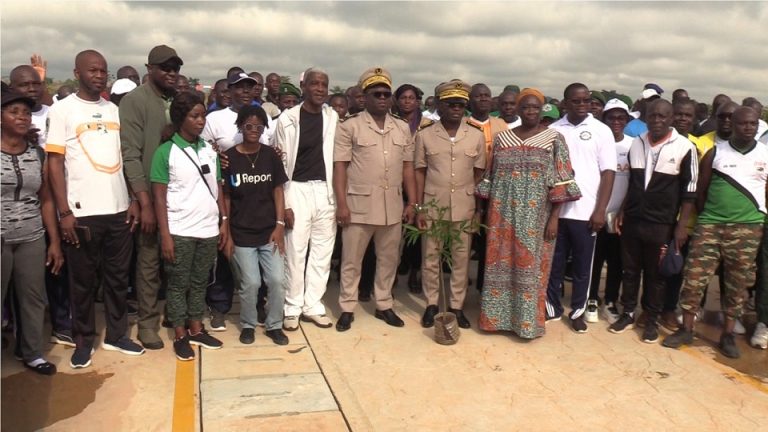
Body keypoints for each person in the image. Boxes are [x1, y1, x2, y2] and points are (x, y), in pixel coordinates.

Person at [47, 50, 144, 368]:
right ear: (77, 72)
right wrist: (64, 212)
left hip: (118, 211)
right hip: (81, 213)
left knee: (117, 280)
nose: (100, 75)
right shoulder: (62, 110)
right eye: (93, 70)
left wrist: (132, 199)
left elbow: (127, 156)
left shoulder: (115, 111)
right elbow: (55, 162)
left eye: (104, 70)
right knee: (83, 283)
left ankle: (117, 335)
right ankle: (83, 341)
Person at [476, 88, 580, 339]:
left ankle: (526, 324)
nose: (531, 111)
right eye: (526, 107)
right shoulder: (503, 139)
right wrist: (481, 212)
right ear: (518, 110)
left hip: (536, 219)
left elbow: (562, 181)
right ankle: (495, 320)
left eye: (535, 107)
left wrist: (554, 217)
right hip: (501, 216)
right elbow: (489, 178)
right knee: (498, 264)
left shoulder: (553, 139)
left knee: (531, 270)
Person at [663, 107, 767, 359]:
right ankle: (686, 328)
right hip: (710, 226)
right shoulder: (715, 152)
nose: (748, 128)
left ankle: (728, 334)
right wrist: (710, 217)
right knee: (695, 279)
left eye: (753, 123)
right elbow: (700, 190)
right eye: (743, 123)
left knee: (737, 283)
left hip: (748, 228)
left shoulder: (765, 153)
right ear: (733, 124)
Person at [333, 67, 417, 331]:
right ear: (365, 97)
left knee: (389, 259)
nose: (382, 98)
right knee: (351, 261)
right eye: (376, 94)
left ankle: (384, 304)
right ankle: (347, 306)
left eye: (386, 94)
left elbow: (407, 168)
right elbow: (340, 167)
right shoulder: (350, 126)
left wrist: (412, 202)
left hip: (391, 206)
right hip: (358, 206)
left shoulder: (402, 127)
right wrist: (342, 204)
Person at [608, 99, 698, 343]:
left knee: (656, 275)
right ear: (645, 117)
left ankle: (652, 318)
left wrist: (681, 226)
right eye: (652, 116)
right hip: (634, 220)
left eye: (662, 116)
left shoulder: (684, 147)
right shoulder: (637, 143)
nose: (657, 120)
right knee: (630, 269)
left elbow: (690, 191)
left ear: (671, 118)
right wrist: (623, 211)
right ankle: (627, 312)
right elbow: (631, 182)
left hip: (662, 223)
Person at [150, 92, 228, 360]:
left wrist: (223, 222)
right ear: (180, 118)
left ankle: (197, 328)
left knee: (199, 282)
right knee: (177, 284)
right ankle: (180, 333)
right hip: (180, 230)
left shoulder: (208, 149)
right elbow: (159, 196)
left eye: (203, 115)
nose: (200, 121)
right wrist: (166, 235)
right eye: (194, 116)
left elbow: (217, 187)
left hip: (208, 229)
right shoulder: (166, 151)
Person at [120, 44, 183, 350]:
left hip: (180, 199)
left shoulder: (179, 101)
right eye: (165, 68)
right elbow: (130, 154)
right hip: (150, 196)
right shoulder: (135, 101)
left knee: (176, 262)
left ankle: (175, 314)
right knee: (148, 265)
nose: (171, 73)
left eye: (175, 69)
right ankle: (147, 324)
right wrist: (142, 201)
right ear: (149, 69)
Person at [414, 79, 486, 329]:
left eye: (460, 104)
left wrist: (478, 210)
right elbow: (420, 172)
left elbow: (479, 176)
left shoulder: (475, 136)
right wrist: (419, 208)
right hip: (434, 205)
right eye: (450, 104)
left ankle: (456, 306)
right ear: (439, 107)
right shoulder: (424, 136)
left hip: (464, 207)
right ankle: (431, 304)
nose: (456, 108)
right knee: (431, 257)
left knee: (461, 259)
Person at [1, 89, 64, 375]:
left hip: (31, 237)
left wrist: (54, 242)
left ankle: (32, 353)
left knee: (33, 297)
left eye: (26, 113)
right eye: (14, 112)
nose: (22, 117)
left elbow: (46, 198)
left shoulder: (36, 153)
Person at [545, 83, 615, 333]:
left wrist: (600, 210)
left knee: (583, 267)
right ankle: (551, 308)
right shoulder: (552, 130)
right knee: (554, 263)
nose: (583, 105)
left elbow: (608, 173)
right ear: (565, 103)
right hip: (556, 211)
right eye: (577, 101)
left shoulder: (601, 130)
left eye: (586, 101)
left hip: (587, 211)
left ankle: (577, 311)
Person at [273, 68, 339, 331]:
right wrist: (285, 202)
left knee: (322, 251)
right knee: (295, 250)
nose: (320, 89)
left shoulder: (333, 117)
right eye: (315, 84)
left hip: (325, 189)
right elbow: (280, 164)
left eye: (324, 84)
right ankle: (292, 306)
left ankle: (313, 304)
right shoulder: (287, 119)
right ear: (304, 87)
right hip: (296, 188)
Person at [221, 105, 290, 345]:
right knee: (250, 283)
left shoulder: (271, 155)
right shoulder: (229, 157)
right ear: (240, 126)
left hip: (269, 231)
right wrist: (227, 231)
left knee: (277, 281)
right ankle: (248, 324)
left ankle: (274, 325)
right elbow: (227, 196)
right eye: (249, 126)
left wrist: (279, 224)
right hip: (241, 234)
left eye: (259, 127)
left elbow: (278, 190)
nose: (254, 130)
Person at [586, 99, 633, 324]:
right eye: (611, 117)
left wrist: (624, 210)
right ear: (603, 119)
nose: (616, 122)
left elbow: (635, 182)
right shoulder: (597, 141)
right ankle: (591, 298)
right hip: (596, 211)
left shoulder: (634, 145)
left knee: (617, 261)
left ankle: (611, 300)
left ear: (627, 120)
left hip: (620, 215)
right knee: (594, 259)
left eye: (621, 117)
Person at [467, 84, 507, 292]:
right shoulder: (462, 124)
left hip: (495, 192)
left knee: (489, 242)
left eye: (487, 96)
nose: (483, 99)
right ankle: (460, 284)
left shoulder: (501, 125)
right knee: (465, 241)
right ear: (470, 100)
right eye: (478, 96)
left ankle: (485, 286)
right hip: (468, 189)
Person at [9, 64, 49, 144]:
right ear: (11, 89)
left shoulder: (56, 113)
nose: (32, 89)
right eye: (24, 85)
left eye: (36, 84)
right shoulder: (6, 119)